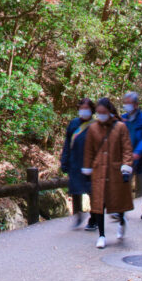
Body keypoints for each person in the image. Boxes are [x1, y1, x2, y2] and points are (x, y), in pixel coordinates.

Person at [81, 98, 134, 249]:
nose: (101, 115)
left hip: (115, 170)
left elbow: (127, 149)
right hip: (98, 170)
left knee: (118, 202)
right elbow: (89, 151)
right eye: (98, 113)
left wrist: (126, 167)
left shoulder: (121, 127)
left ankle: (122, 221)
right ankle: (102, 235)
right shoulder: (93, 128)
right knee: (98, 203)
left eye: (103, 113)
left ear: (110, 111)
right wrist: (87, 168)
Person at [60, 98, 96, 229]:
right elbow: (67, 144)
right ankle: (78, 215)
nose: (83, 111)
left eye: (86, 108)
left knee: (92, 191)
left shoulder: (96, 125)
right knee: (75, 190)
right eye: (81, 108)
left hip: (91, 164)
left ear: (92, 110)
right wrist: (64, 160)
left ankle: (94, 217)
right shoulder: (73, 124)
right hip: (75, 162)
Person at [122, 91, 142, 220]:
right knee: (125, 182)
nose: (127, 105)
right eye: (125, 103)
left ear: (136, 104)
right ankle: (122, 209)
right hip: (127, 156)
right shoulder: (123, 118)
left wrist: (138, 152)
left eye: (129, 103)